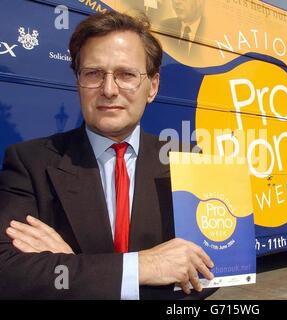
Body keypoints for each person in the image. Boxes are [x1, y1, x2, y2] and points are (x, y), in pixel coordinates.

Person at [0, 11, 215, 300]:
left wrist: (73, 266)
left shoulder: (189, 161)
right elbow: (9, 274)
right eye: (94, 74)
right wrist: (141, 267)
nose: (109, 90)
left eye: (126, 74)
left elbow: (209, 275)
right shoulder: (30, 163)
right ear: (78, 82)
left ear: (152, 87)